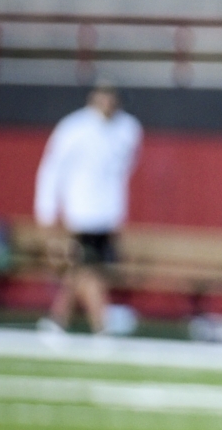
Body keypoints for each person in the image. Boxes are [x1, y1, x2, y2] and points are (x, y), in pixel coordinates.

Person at [32, 81, 142, 335]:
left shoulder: (128, 129)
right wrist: (47, 211)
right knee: (86, 269)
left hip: (107, 216)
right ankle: (100, 323)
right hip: (80, 214)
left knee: (85, 270)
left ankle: (57, 320)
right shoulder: (74, 128)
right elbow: (52, 170)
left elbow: (121, 170)